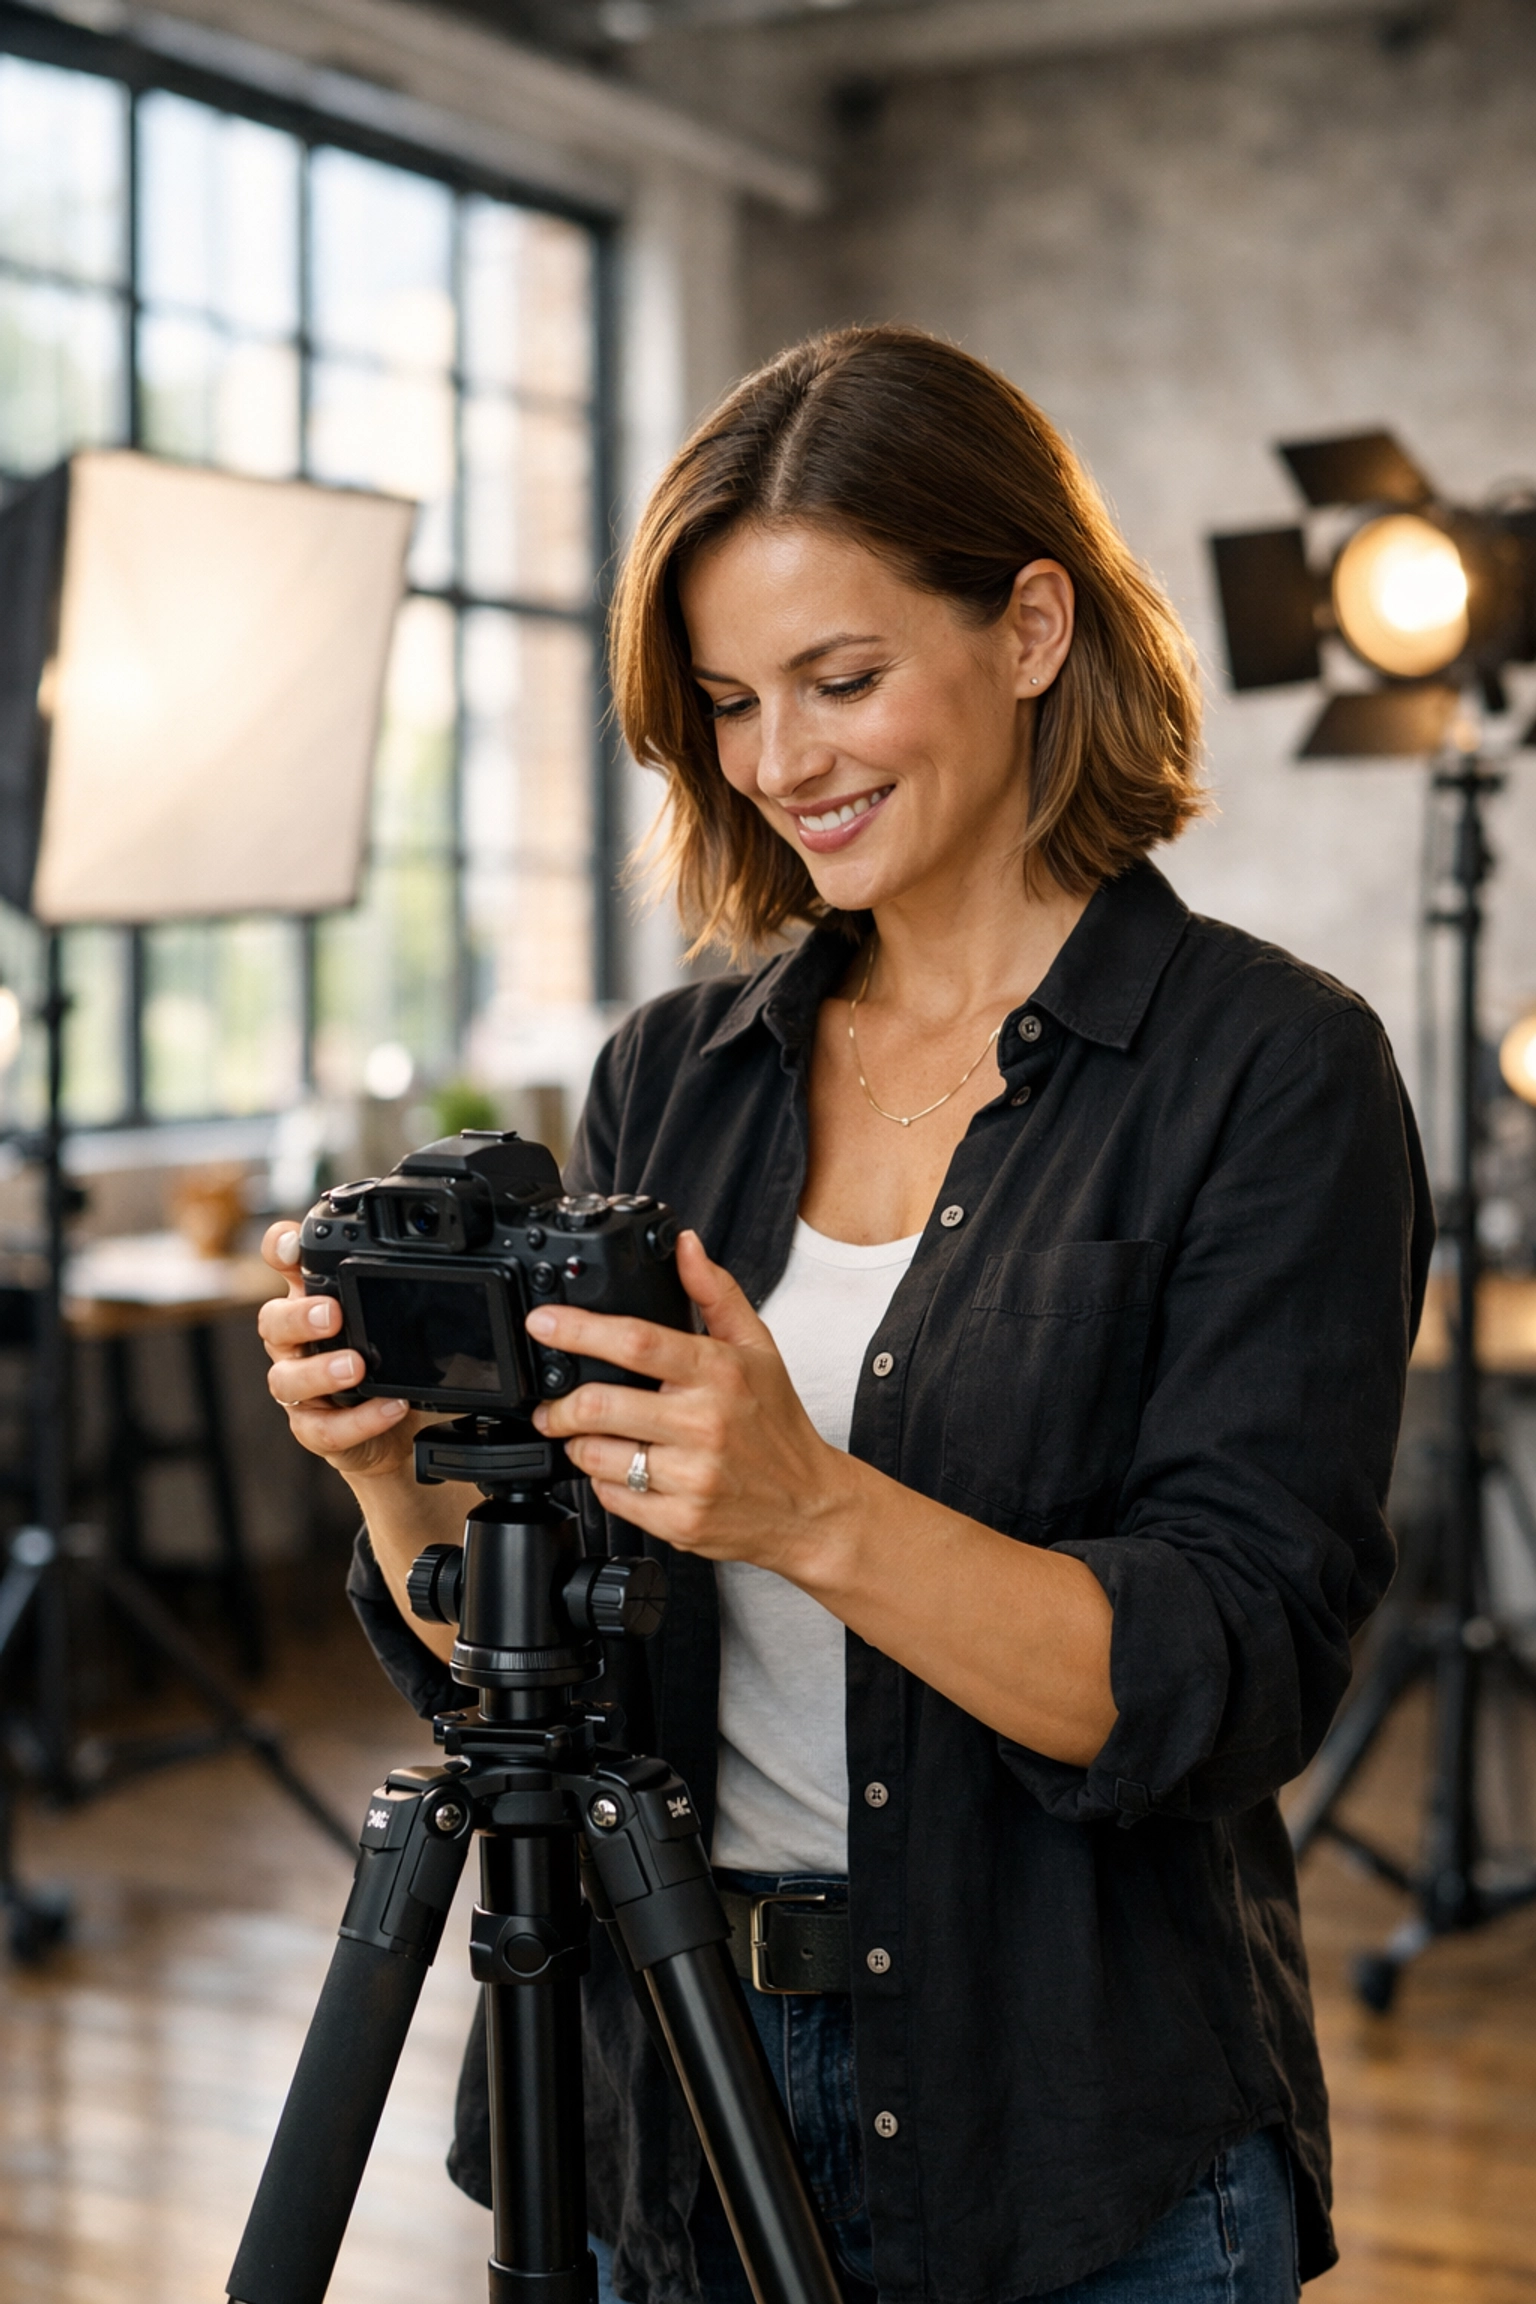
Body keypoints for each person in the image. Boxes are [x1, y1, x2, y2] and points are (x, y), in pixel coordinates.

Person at [260, 324, 1432, 2304]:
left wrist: (810, 1504)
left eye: (843, 676)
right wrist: (396, 1489)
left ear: (1035, 623)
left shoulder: (1271, 1071)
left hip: (1067, 2122)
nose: (782, 759)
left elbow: (1229, 1673)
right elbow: (550, 1661)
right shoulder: (676, 1077)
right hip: (661, 2077)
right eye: (729, 701)